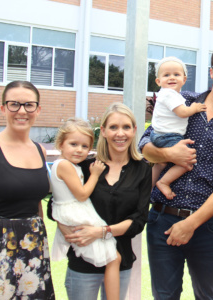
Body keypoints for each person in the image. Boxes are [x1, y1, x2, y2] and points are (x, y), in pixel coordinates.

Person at [139, 44, 213, 300]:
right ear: (211, 71)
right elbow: (145, 145)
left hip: (208, 227)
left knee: (206, 295)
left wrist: (190, 224)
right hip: (162, 219)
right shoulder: (183, 101)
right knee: (164, 296)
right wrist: (168, 155)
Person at [51, 102, 151, 300]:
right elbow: (58, 200)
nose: (120, 133)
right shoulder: (87, 166)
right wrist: (66, 229)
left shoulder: (142, 169)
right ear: (103, 131)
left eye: (126, 127)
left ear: (134, 130)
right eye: (113, 127)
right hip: (83, 262)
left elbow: (139, 220)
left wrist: (100, 232)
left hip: (119, 259)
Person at [0, 81, 55, 299]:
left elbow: (36, 203)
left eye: (28, 105)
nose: (21, 111)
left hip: (33, 244)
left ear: (37, 110)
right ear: (2, 109)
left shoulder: (40, 151)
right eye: (14, 104)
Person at [50, 118, 121, 300]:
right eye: (73, 144)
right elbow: (81, 195)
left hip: (75, 211)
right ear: (60, 144)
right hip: (76, 214)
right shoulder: (64, 165)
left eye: (84, 146)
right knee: (114, 258)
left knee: (113, 257)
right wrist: (95, 174)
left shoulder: (69, 164)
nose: (79, 150)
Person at [150, 56, 207, 199]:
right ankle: (163, 182)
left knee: (161, 162)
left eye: (176, 74)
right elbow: (182, 113)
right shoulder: (169, 94)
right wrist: (194, 108)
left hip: (158, 135)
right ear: (158, 81)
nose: (172, 78)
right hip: (168, 136)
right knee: (187, 162)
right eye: (166, 75)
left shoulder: (171, 95)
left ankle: (147, 188)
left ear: (184, 79)